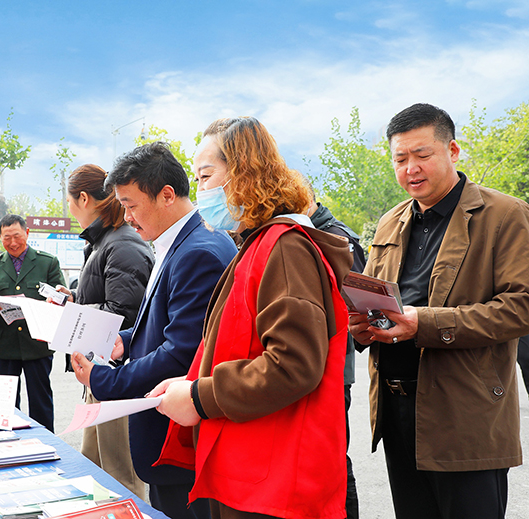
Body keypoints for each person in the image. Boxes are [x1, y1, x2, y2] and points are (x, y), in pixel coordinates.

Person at [150, 117, 352, 519]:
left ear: (244, 173)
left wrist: (199, 396)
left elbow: (293, 364)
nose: (200, 189)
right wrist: (193, 381)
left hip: (271, 482)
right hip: (249, 470)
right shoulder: (256, 245)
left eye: (207, 176)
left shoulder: (285, 249)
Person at [347, 103, 529, 519]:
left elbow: (521, 307)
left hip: (465, 415)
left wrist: (423, 324)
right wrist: (362, 325)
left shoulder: (504, 215)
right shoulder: (391, 221)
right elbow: (375, 293)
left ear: (453, 150)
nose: (411, 168)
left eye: (422, 155)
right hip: (397, 411)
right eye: (400, 159)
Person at [71, 141, 237, 519]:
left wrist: (104, 381)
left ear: (166, 195)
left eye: (130, 204)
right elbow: (168, 322)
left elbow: (181, 352)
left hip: (179, 439)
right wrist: (124, 341)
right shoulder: (180, 242)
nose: (126, 216)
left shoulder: (198, 251)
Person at [57, 164, 154, 497]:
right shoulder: (103, 242)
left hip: (117, 379)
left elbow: (124, 316)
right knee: (95, 467)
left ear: (83, 198)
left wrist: (72, 318)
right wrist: (73, 303)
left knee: (119, 475)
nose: (68, 209)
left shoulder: (121, 244)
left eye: (68, 201)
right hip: (99, 374)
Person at [305, 182, 365, 519]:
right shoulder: (311, 231)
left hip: (335, 365)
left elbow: (355, 299)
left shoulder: (335, 237)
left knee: (333, 459)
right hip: (321, 361)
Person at [0, 214, 66, 432]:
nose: (13, 243)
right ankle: (8, 441)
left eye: (17, 236)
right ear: (0, 237)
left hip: (37, 343)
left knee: (41, 400)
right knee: (6, 404)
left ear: (27, 233)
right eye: (7, 238)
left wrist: (55, 300)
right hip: (4, 345)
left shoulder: (48, 262)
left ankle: (46, 441)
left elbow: (63, 299)